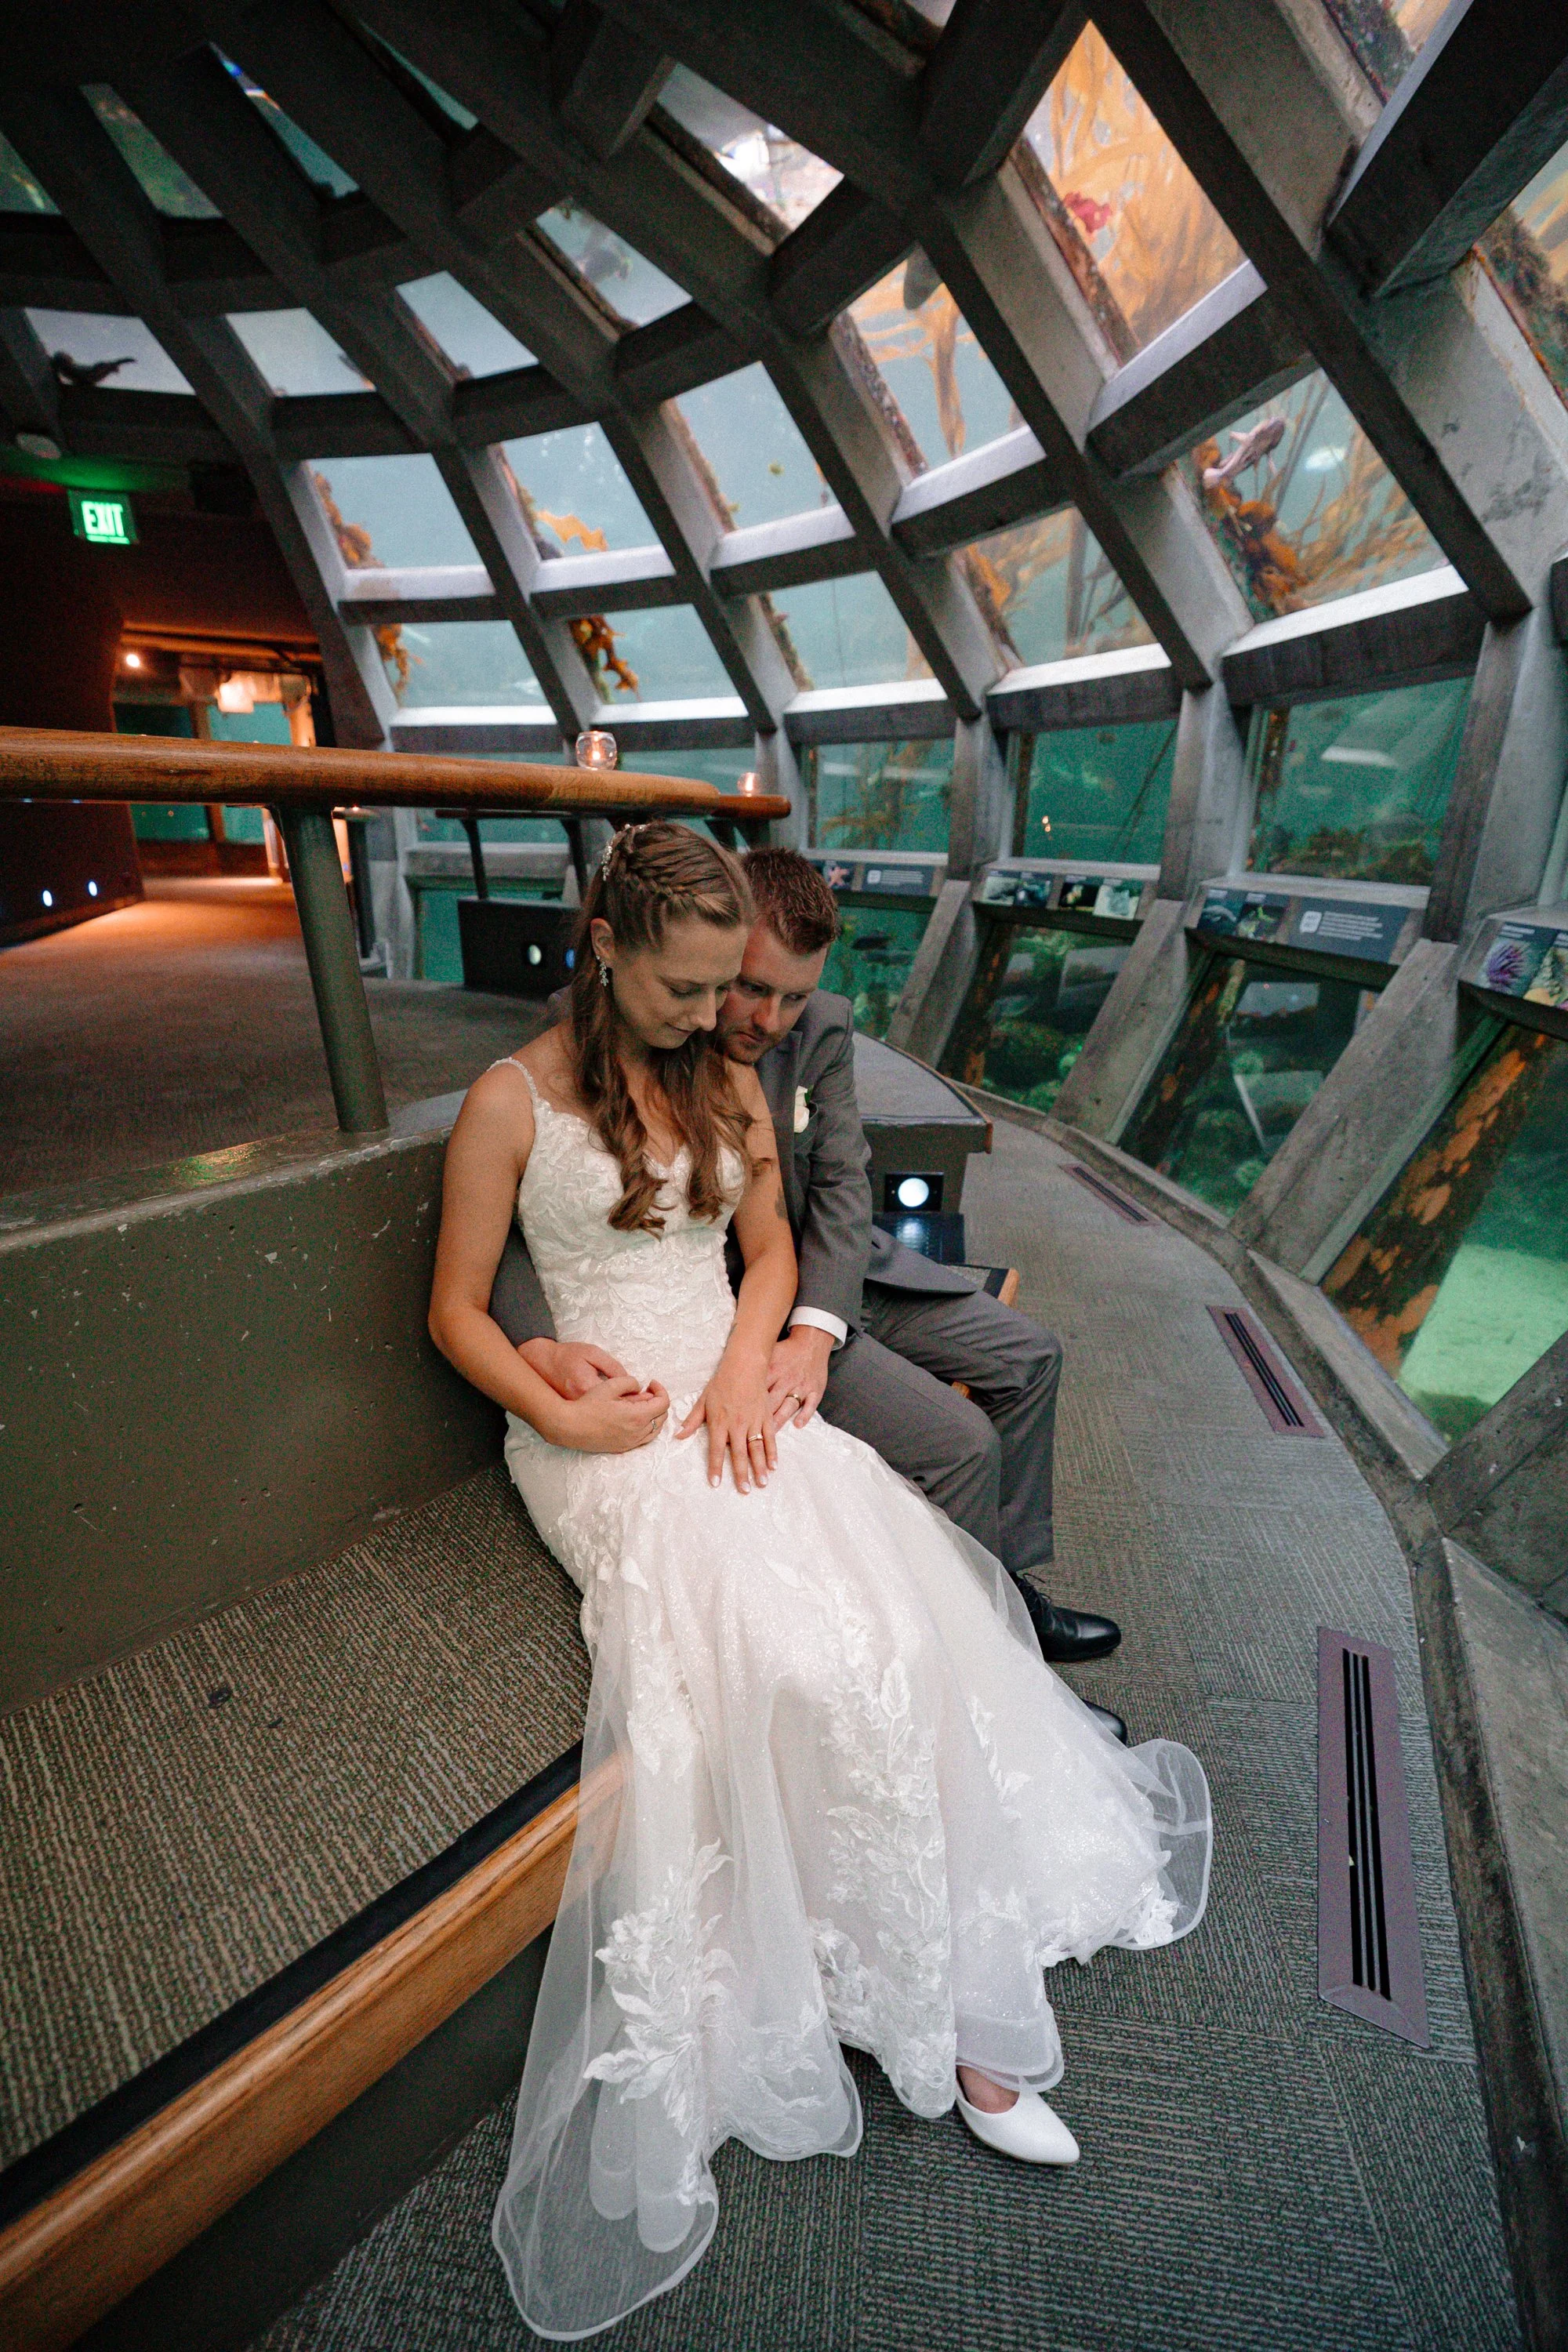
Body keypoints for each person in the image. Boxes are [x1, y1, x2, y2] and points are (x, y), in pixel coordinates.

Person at [429, 823, 1211, 2343]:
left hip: (723, 1391)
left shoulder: (726, 1074)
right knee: (788, 1657)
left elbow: (774, 1253)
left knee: (896, 1626)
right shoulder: (508, 1102)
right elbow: (458, 1309)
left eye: (728, 985)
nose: (720, 1015)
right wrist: (551, 1401)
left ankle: (950, 1991)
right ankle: (861, 1982)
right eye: (686, 986)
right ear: (604, 945)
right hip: (603, 1434)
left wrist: (746, 1370)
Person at [489, 845, 1127, 1713]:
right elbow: (533, 1223)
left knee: (1030, 1356)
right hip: (708, 1302)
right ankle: (982, 1659)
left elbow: (840, 1182)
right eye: (747, 987)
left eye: (792, 996)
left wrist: (815, 1327)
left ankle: (1005, 1599)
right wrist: (540, 1349)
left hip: (826, 1274)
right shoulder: (615, 1022)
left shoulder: (819, 1026)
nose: (765, 1019)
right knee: (961, 1444)